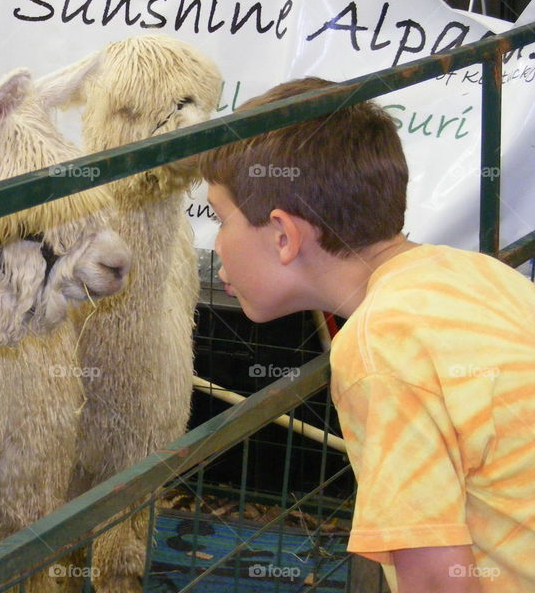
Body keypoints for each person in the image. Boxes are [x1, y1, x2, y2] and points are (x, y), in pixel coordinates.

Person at [199, 77, 535, 593]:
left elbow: (437, 581)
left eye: (220, 219)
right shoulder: (476, 273)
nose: (217, 243)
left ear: (284, 236)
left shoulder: (380, 346)